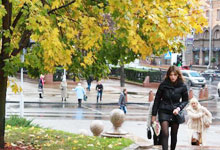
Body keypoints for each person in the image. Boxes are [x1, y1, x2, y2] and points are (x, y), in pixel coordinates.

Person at [152, 65, 189, 150]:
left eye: (175, 75)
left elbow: (185, 100)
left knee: (174, 134)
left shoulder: (182, 86)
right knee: (165, 133)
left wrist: (178, 108)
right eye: (171, 75)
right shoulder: (163, 85)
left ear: (178, 75)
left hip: (175, 112)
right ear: (168, 75)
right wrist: (153, 115)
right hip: (164, 110)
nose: (173, 77)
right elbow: (157, 100)